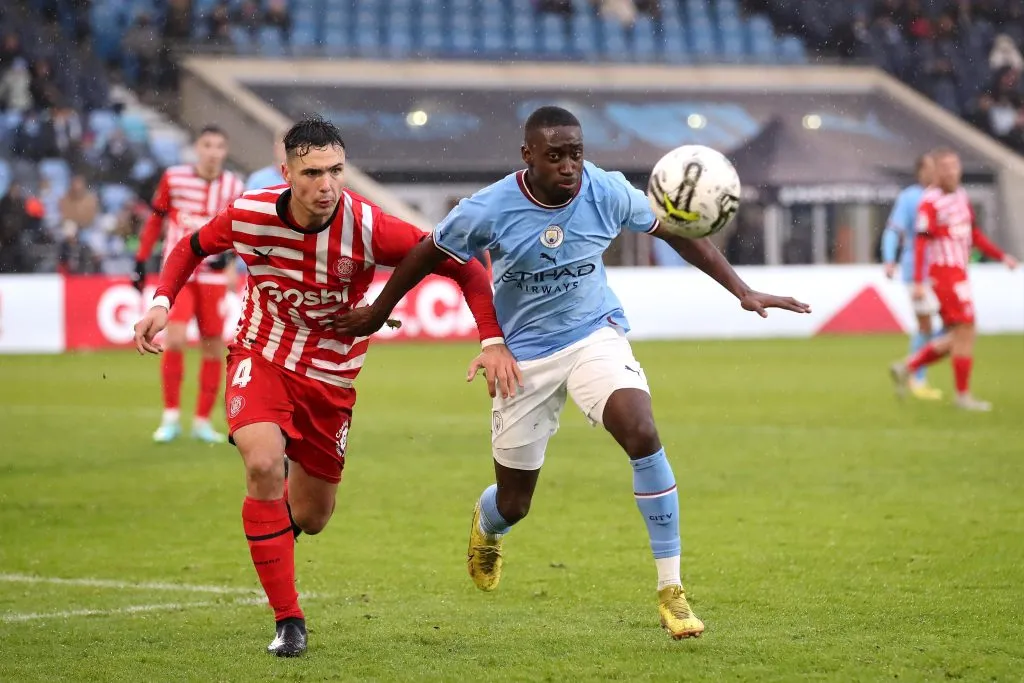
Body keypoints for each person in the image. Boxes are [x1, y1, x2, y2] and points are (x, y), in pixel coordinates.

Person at [334, 106, 811, 640]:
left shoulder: (605, 191)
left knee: (642, 430)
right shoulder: (490, 208)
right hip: (525, 360)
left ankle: (672, 591)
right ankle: (488, 526)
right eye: (555, 156)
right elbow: (429, 251)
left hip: (592, 335)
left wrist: (741, 290)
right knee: (514, 503)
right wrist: (377, 311)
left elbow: (674, 230)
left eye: (576, 154)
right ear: (528, 156)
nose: (568, 166)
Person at [133, 115, 517, 657]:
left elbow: (466, 268)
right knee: (262, 462)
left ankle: (275, 527)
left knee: (312, 517)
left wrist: (490, 339)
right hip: (261, 354)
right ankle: (289, 621)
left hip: (330, 379)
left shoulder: (369, 227)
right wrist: (160, 301)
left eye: (336, 170)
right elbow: (190, 246)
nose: (326, 184)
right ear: (286, 171)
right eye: (312, 172)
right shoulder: (250, 215)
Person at [132, 125, 245, 444]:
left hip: (211, 276)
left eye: (219, 146)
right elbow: (156, 218)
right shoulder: (174, 178)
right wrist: (141, 259)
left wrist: (231, 258)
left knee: (212, 346)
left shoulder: (234, 185)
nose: (213, 152)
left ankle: (201, 421)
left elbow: (241, 228)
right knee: (177, 339)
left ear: (225, 151)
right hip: (180, 274)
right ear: (197, 147)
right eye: (207, 144)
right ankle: (170, 417)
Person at [890, 148, 1018, 411]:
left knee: (961, 334)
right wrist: (917, 281)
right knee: (965, 331)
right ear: (935, 172)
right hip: (943, 274)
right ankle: (961, 395)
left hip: (960, 273)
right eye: (945, 167)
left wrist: (1001, 256)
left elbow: (974, 235)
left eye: (955, 166)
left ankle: (908, 367)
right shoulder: (930, 201)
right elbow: (921, 244)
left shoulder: (961, 196)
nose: (951, 171)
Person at [881, 153, 942, 400]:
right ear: (920, 172)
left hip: (943, 271)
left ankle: (909, 368)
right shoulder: (910, 198)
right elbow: (893, 230)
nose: (935, 170)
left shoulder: (947, 197)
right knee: (926, 325)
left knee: (953, 326)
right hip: (916, 272)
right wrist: (889, 259)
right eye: (930, 167)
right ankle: (917, 377)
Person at [245, 126, 288, 191]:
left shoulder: (299, 184)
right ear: (275, 149)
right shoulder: (257, 180)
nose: (287, 155)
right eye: (284, 149)